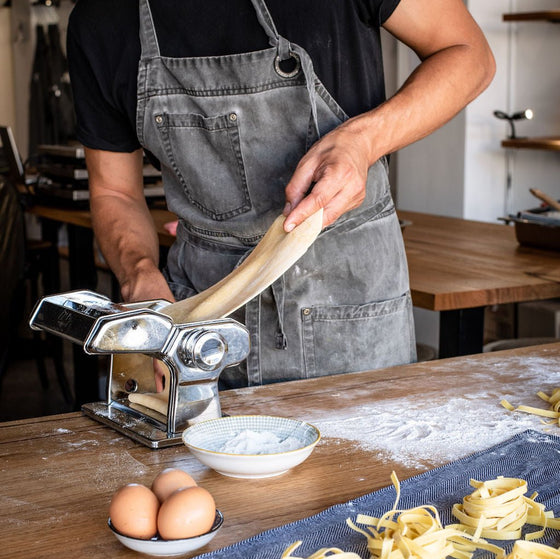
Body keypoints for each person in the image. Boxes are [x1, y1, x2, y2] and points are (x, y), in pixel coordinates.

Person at [67, 0, 495, 388]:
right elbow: (115, 191)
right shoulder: (101, 19)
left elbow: (468, 53)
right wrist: (139, 276)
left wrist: (364, 140)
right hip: (202, 326)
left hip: (348, 307)